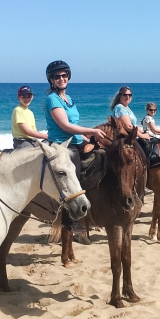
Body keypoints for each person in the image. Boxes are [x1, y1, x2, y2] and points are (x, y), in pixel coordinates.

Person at [42, 60, 106, 244]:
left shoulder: (68, 99)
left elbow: (74, 125)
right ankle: (72, 221)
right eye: (57, 76)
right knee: (73, 177)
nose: (61, 79)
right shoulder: (52, 99)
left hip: (76, 141)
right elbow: (65, 125)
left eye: (64, 75)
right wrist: (91, 131)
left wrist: (87, 139)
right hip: (63, 146)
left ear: (68, 77)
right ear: (51, 80)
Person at [12, 85, 48, 149]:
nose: (26, 99)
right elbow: (26, 131)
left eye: (29, 96)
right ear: (18, 97)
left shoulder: (30, 112)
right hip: (21, 141)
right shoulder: (18, 110)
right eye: (23, 97)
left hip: (33, 140)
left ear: (32, 97)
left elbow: (34, 130)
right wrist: (45, 136)